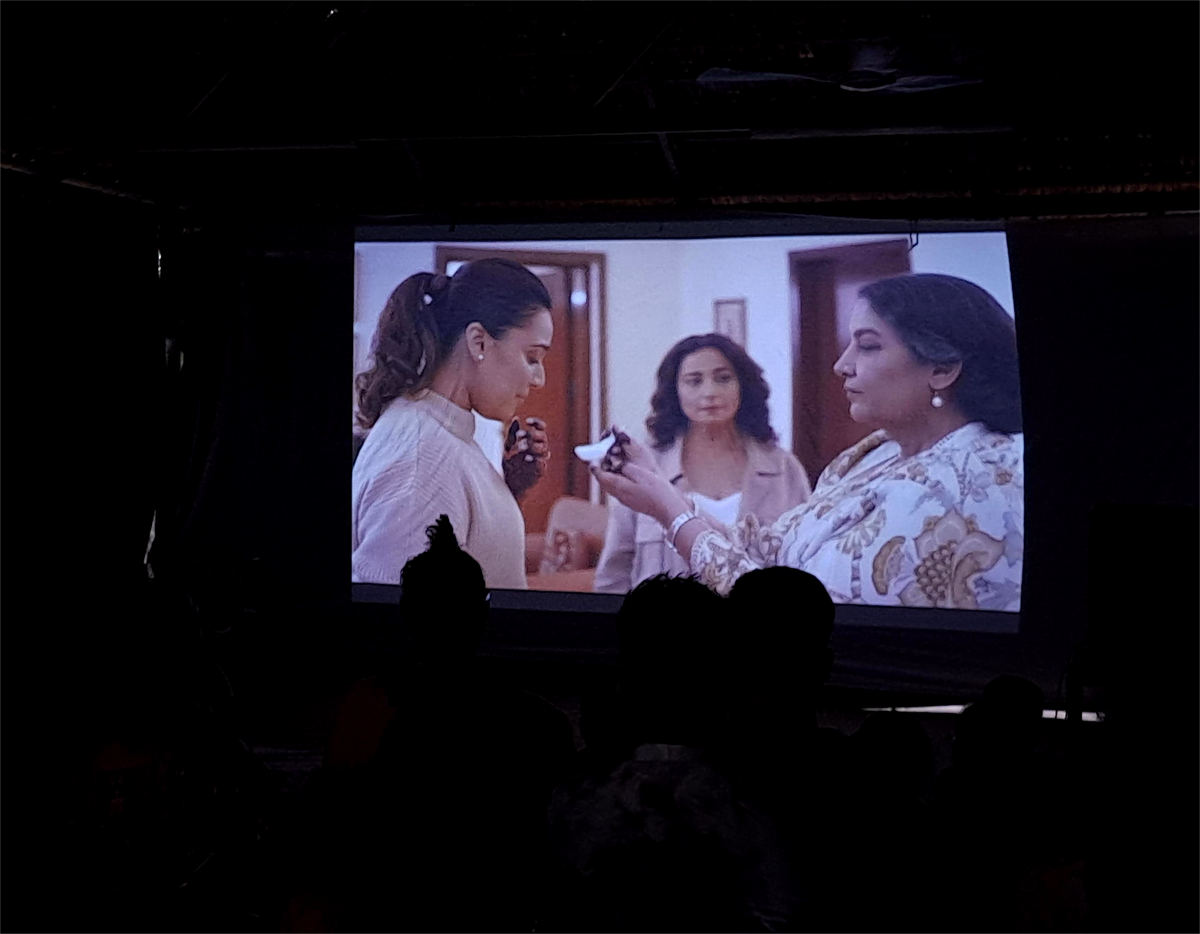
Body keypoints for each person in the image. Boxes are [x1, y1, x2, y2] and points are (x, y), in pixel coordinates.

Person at [595, 274, 1024, 609]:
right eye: (694, 381)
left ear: (943, 369)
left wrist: (667, 508)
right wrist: (657, 487)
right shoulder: (875, 453)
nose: (842, 365)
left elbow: (782, 611)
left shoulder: (973, 483)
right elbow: (769, 549)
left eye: (869, 346)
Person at [352, 258, 554, 587]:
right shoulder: (422, 458)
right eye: (532, 357)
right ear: (479, 342)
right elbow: (404, 619)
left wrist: (505, 491)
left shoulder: (443, 432)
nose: (539, 378)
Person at [594, 333, 810, 593]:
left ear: (743, 386)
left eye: (723, 379)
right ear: (675, 391)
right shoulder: (646, 468)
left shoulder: (784, 469)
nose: (709, 392)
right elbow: (614, 574)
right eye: (694, 381)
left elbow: (808, 561)